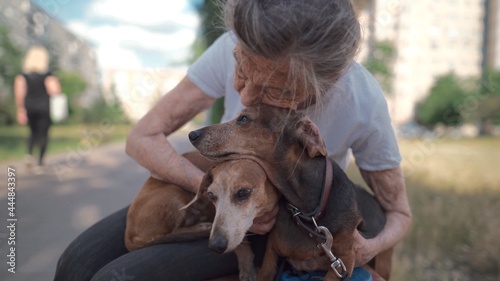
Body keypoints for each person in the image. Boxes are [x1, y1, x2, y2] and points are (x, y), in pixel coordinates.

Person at [54, 0, 412, 280]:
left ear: (327, 82)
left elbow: (398, 211)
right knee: (75, 263)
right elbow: (141, 137)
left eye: (274, 89)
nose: (244, 95)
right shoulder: (234, 43)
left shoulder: (361, 101)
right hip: (221, 199)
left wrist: (370, 247)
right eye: (242, 67)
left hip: (273, 228)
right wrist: (209, 189)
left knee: (116, 278)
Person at [14, 45, 61, 174]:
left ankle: (29, 154)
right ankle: (40, 163)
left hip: (29, 106)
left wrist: (20, 109)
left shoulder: (23, 75)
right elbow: (55, 90)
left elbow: (19, 93)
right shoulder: (47, 75)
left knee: (32, 132)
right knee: (43, 134)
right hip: (44, 107)